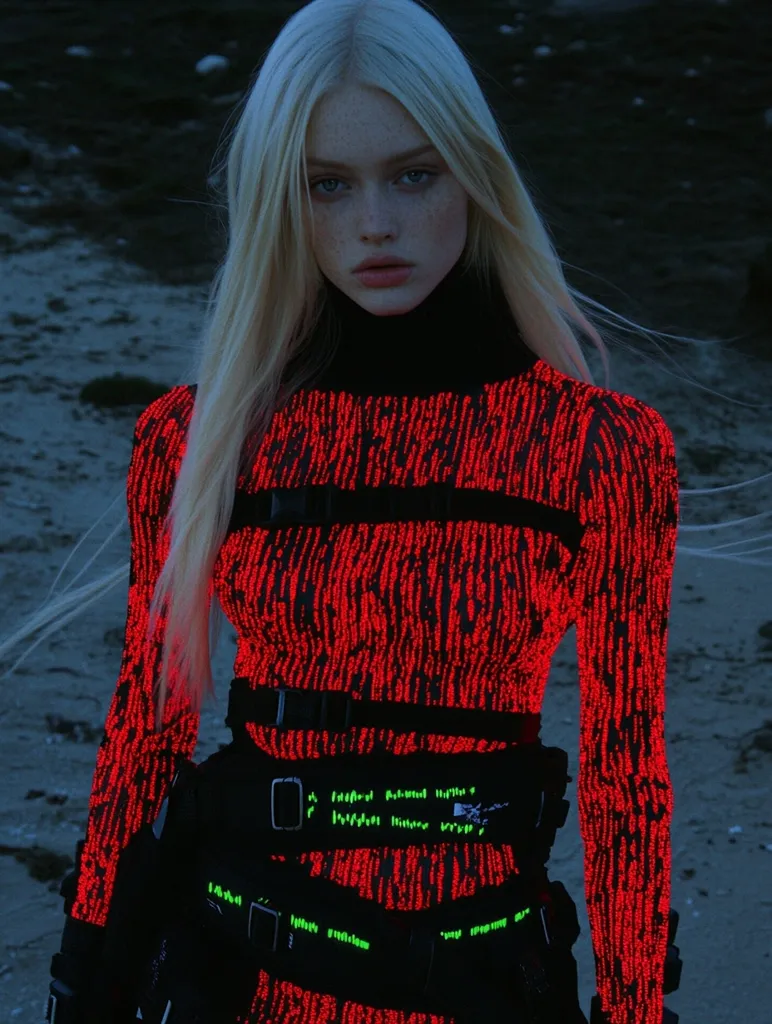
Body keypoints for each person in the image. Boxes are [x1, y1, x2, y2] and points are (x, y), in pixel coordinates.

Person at [5, 0, 769, 1020]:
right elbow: (144, 741)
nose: (374, 224)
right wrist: (81, 983)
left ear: (473, 174)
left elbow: (626, 776)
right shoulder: (194, 440)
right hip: (243, 978)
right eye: (328, 184)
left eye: (414, 174)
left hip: (485, 981)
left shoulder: (605, 453)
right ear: (283, 195)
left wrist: (635, 1005)